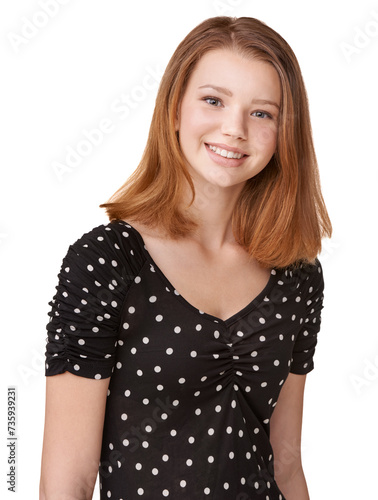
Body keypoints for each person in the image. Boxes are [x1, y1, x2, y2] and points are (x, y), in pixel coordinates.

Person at [39, 15, 332, 500]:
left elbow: (287, 463)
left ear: (285, 132)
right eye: (213, 101)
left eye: (263, 113)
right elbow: (66, 481)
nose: (234, 129)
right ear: (175, 109)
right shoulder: (108, 261)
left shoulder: (297, 275)